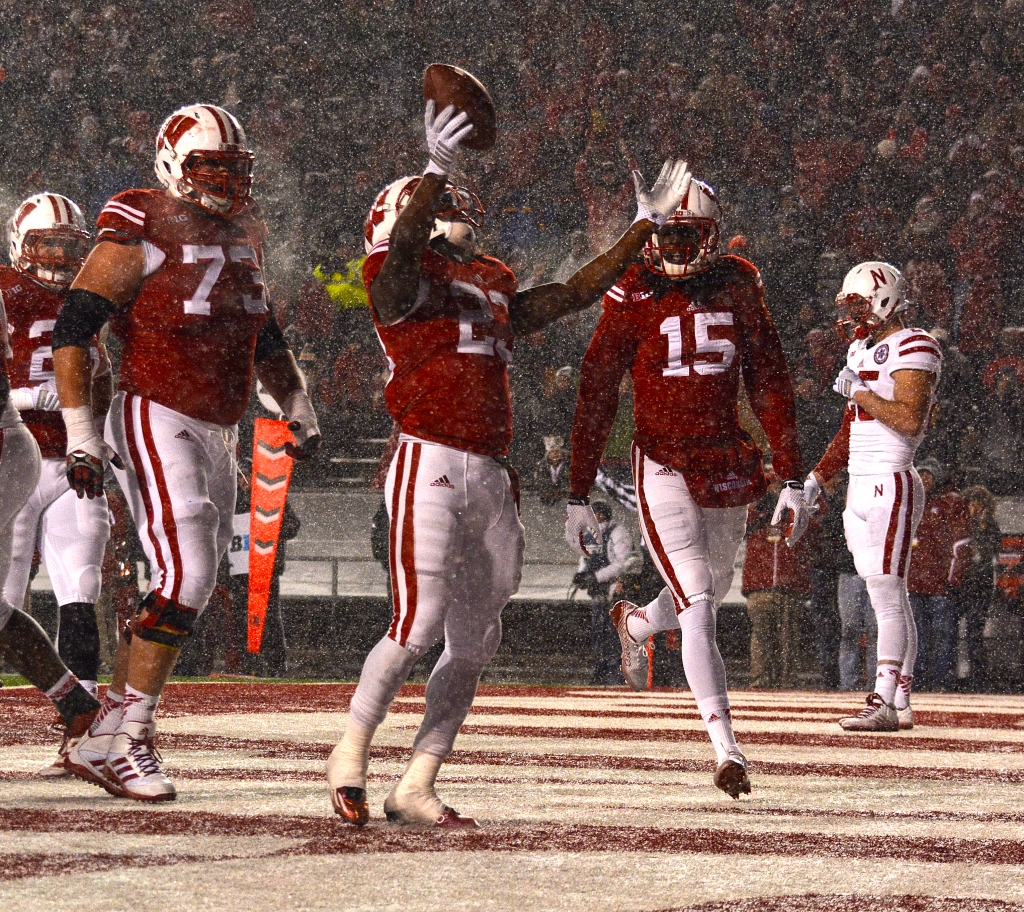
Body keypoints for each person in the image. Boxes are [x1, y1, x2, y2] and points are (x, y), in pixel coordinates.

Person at [326, 95, 692, 828]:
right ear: (420, 215)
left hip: (492, 473)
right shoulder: (395, 278)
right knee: (416, 623)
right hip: (428, 458)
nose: (465, 210)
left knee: (477, 638)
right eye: (448, 202)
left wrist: (639, 231)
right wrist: (433, 169)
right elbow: (399, 255)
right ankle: (350, 751)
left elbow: (572, 294)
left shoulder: (489, 279)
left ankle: (418, 780)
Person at [53, 104, 320, 802]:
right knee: (189, 572)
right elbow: (77, 326)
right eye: (211, 166)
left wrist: (296, 403)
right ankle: (128, 738)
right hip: (156, 408)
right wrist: (83, 434)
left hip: (220, 425)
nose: (227, 181)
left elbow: (262, 331)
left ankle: (108, 734)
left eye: (236, 168)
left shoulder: (246, 235)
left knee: (193, 579)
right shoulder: (143, 216)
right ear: (175, 165)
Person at [567, 177, 808, 799]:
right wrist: (576, 487)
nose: (672, 247)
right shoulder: (634, 289)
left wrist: (792, 472)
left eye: (683, 235)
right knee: (700, 600)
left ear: (707, 235)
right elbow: (595, 390)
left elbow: (770, 382)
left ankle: (640, 624)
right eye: (663, 234)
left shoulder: (736, 282)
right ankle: (726, 748)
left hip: (725, 458)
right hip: (663, 461)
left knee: (711, 591)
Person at [0, 193, 112, 775]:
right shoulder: (6, 287)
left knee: (81, 587)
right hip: (15, 451)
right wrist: (26, 396)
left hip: (66, 461)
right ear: (21, 242)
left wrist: (96, 434)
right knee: (5, 597)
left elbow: (104, 373)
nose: (60, 256)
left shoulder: (85, 298)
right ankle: (73, 707)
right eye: (47, 243)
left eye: (71, 246)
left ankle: (83, 729)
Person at [804, 261, 942, 732]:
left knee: (885, 594)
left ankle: (882, 697)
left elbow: (909, 420)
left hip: (892, 477)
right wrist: (817, 478)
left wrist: (861, 392)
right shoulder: (862, 348)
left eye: (858, 304)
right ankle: (901, 698)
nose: (851, 314)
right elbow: (850, 427)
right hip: (860, 483)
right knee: (890, 595)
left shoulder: (914, 343)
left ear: (885, 298)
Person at [906, 458, 971, 692]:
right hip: (915, 583)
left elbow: (960, 545)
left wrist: (952, 579)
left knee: (943, 636)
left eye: (929, 475)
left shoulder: (950, 503)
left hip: (940, 584)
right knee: (917, 638)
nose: (925, 480)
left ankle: (942, 682)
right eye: (921, 475)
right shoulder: (912, 503)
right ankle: (919, 682)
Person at [571, 500, 638, 685]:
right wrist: (581, 576)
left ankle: (617, 671)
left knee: (613, 632)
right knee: (598, 631)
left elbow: (621, 564)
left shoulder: (618, 532)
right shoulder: (589, 536)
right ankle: (601, 669)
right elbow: (584, 560)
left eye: (598, 514)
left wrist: (596, 577)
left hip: (616, 590)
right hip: (598, 592)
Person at [958, 485, 1000, 691]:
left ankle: (978, 678)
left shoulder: (989, 526)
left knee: (975, 632)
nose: (974, 508)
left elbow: (990, 553)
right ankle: (955, 676)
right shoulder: (960, 524)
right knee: (950, 633)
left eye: (978, 504)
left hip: (980, 586)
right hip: (961, 585)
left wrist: (982, 529)